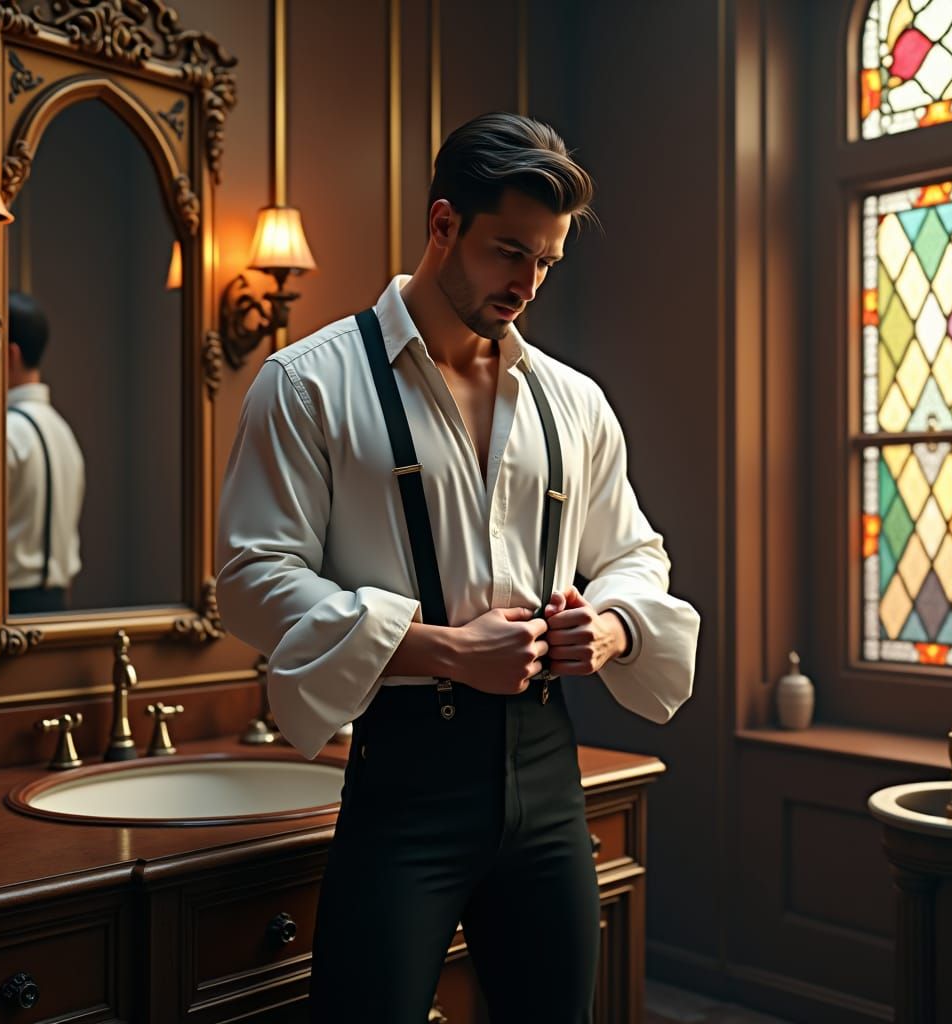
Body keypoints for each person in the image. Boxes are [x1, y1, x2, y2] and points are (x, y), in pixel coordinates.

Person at [216, 112, 700, 1023]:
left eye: (547, 261)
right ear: (443, 226)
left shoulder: (575, 401)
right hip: (405, 788)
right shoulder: (309, 383)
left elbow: (634, 551)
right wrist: (440, 649)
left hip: (552, 780)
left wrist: (611, 625)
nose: (527, 282)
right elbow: (252, 576)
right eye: (508, 252)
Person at [7, 292, 85, 614]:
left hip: (6, 610)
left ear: (9, 355)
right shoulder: (64, 432)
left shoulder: (5, 433)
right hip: (56, 607)